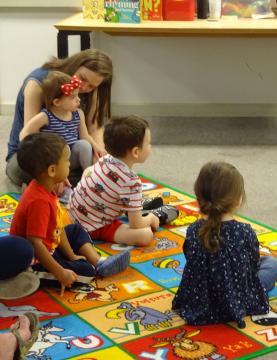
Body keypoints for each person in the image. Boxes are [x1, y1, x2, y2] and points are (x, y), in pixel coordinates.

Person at [10, 133, 131, 292]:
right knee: (85, 272)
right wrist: (60, 272)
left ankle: (97, 261)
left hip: (49, 245)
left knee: (75, 229)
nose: (69, 164)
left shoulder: (46, 188)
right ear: (52, 170)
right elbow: (35, 244)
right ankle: (91, 268)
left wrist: (71, 255)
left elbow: (57, 228)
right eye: (67, 161)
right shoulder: (38, 201)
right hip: (34, 261)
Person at [172, 161, 277, 328]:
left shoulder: (193, 229)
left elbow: (191, 259)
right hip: (236, 299)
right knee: (273, 265)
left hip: (199, 298)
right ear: (237, 201)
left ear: (199, 198)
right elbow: (251, 268)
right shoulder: (244, 232)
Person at [6, 48, 113, 187]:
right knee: (24, 171)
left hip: (68, 153)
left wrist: (98, 157)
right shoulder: (38, 83)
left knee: (106, 165)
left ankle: (73, 178)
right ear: (76, 64)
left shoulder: (91, 89)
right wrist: (54, 171)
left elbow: (94, 126)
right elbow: (31, 139)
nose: (83, 87)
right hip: (33, 154)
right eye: (82, 78)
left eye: (92, 86)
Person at [68, 115, 179, 247]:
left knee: (115, 191)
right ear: (136, 152)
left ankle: (133, 206)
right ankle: (147, 211)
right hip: (94, 227)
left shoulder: (106, 158)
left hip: (72, 213)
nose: (150, 146)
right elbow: (136, 225)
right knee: (145, 235)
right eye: (148, 143)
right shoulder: (131, 181)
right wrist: (151, 219)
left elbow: (87, 172)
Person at [19, 71, 106, 180]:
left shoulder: (78, 114)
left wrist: (96, 146)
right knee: (61, 148)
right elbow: (25, 132)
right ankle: (59, 178)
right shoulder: (46, 116)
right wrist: (30, 151)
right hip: (54, 159)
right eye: (73, 97)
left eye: (78, 95)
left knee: (84, 145)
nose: (78, 100)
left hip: (71, 158)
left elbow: (85, 136)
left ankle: (89, 176)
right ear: (57, 102)